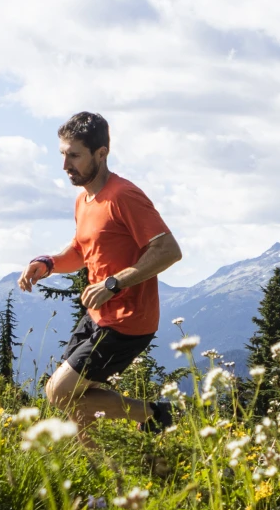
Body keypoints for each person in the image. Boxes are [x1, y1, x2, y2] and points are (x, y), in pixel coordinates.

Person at [17, 111, 183, 435]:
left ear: (101, 153)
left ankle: (154, 414)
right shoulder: (83, 200)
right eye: (63, 155)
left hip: (128, 321)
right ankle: (102, 476)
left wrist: (114, 283)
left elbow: (168, 250)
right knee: (74, 401)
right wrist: (48, 263)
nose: (65, 166)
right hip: (98, 316)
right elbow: (82, 250)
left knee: (58, 392)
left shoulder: (124, 196)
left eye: (74, 156)